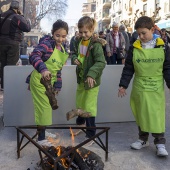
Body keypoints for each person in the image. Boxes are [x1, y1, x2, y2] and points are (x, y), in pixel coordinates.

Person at [118, 16, 170, 157]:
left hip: (155, 87)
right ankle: (143, 139)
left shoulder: (163, 46)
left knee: (156, 114)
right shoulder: (135, 47)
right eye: (138, 33)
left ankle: (160, 143)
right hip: (140, 87)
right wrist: (123, 85)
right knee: (141, 113)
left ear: (152, 30)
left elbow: (167, 67)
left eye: (143, 33)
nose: (140, 37)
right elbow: (129, 68)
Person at [26, 19, 69, 147]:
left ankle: (43, 131)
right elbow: (34, 56)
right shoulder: (46, 44)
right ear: (52, 33)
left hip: (50, 84)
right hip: (39, 80)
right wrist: (43, 69)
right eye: (57, 35)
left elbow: (58, 70)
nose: (60, 39)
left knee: (47, 108)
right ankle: (41, 139)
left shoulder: (62, 49)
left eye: (63, 36)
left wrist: (57, 85)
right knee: (43, 107)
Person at [68, 16, 106, 146]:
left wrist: (91, 74)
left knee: (89, 107)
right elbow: (74, 54)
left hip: (91, 82)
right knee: (80, 103)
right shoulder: (78, 42)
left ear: (92, 30)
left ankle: (91, 135)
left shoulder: (96, 45)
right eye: (81, 32)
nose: (83, 35)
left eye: (86, 32)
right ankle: (80, 124)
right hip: (81, 79)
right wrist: (74, 59)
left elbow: (101, 62)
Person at [0, 0, 31, 91]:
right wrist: (22, 16)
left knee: (3, 64)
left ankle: (3, 86)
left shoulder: (2, 15)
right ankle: (9, 86)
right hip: (13, 43)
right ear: (17, 9)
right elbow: (27, 28)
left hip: (1, 43)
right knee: (11, 65)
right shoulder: (17, 17)